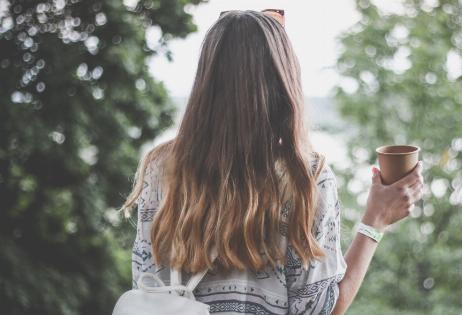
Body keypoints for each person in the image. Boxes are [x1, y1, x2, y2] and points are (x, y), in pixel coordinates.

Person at [119, 9, 424, 315]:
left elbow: (148, 288)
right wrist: (375, 220)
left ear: (206, 79)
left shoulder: (162, 168)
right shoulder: (305, 177)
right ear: (282, 81)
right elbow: (319, 311)